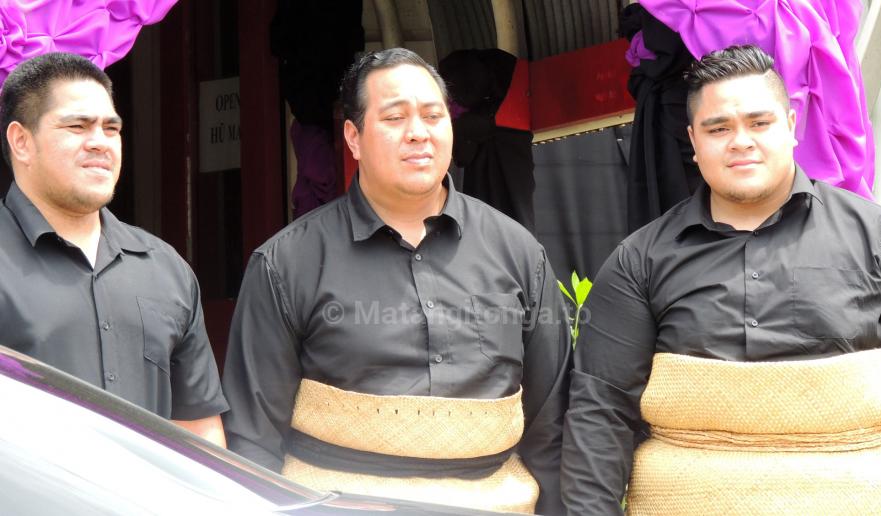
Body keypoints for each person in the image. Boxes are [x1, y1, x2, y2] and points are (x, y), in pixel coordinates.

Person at [561, 45, 881, 515]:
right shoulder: (639, 260)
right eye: (718, 128)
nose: (740, 141)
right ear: (692, 139)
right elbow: (600, 411)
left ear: (791, 124)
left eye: (759, 122)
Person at [221, 47, 570, 515]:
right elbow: (252, 438)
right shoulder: (286, 263)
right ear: (353, 136)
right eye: (394, 118)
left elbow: (552, 427)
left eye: (433, 115)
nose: (418, 134)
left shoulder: (518, 252)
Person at [0, 52, 228, 445]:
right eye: (77, 126)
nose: (100, 143)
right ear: (22, 141)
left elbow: (200, 431)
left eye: (111, 128)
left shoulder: (165, 268)